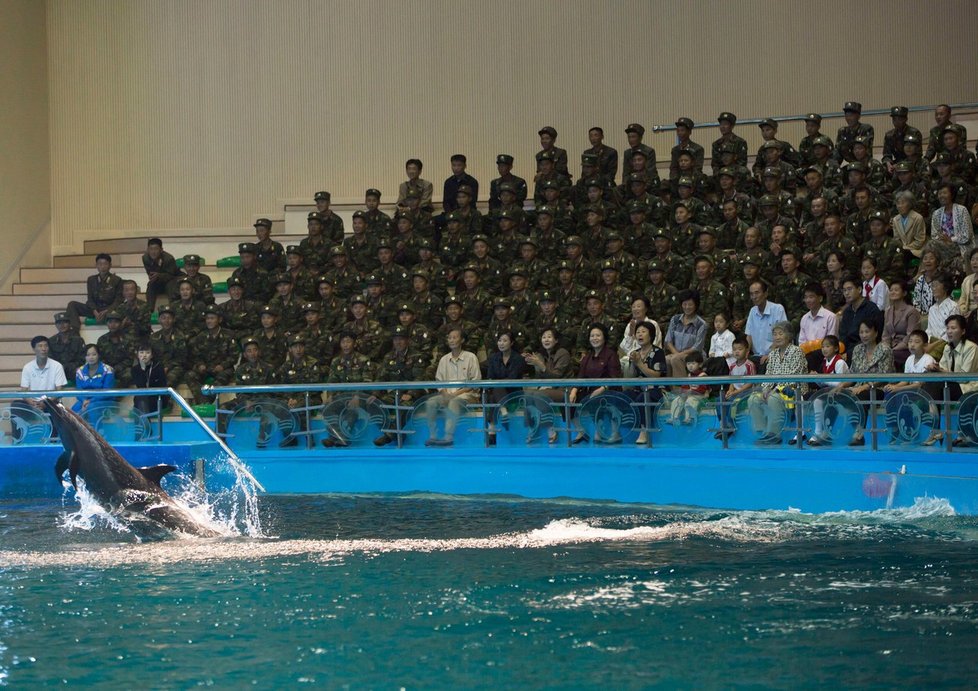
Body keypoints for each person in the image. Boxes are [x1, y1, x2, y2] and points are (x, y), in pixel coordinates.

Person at [749, 321, 807, 444]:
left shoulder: (797, 351)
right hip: (775, 389)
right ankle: (764, 432)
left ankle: (774, 435)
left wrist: (774, 390)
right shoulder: (773, 354)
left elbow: (794, 375)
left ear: (789, 336)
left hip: (794, 389)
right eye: (775, 334)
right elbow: (768, 375)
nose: (777, 337)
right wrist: (765, 389)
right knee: (753, 398)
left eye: (781, 333)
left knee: (774, 398)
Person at [924, 315, 978, 446]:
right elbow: (943, 368)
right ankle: (935, 428)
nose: (949, 331)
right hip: (951, 385)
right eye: (947, 328)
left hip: (969, 387)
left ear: (963, 331)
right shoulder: (947, 348)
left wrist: (941, 371)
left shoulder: (972, 348)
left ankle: (936, 429)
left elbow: (964, 376)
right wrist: (935, 368)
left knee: (935, 387)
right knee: (930, 384)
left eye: (953, 328)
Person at [425, 328, 481, 447]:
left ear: (462, 340)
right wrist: (445, 394)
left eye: (455, 337)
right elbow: (439, 381)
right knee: (430, 402)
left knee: (454, 402)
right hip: (447, 395)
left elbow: (474, 382)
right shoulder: (444, 359)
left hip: (468, 396)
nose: (451, 340)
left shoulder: (471, 357)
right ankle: (433, 436)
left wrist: (453, 395)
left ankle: (448, 437)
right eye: (449, 338)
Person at [842, 319, 894, 446]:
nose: (864, 335)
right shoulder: (857, 349)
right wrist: (841, 386)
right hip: (858, 387)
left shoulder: (885, 350)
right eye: (861, 332)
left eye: (867, 331)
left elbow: (884, 376)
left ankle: (858, 435)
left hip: (879, 389)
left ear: (876, 333)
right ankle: (826, 434)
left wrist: (866, 386)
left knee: (861, 397)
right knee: (836, 395)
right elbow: (853, 373)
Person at [569, 323, 623, 444]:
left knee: (598, 398)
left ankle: (614, 433)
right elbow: (581, 376)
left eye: (598, 335)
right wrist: (574, 390)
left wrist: (603, 388)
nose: (595, 338)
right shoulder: (587, 357)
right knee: (568, 399)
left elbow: (615, 377)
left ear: (604, 338)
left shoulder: (611, 355)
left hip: (610, 389)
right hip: (591, 391)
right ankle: (581, 431)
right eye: (592, 335)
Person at [623, 321, 666, 444]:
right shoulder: (635, 353)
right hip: (638, 389)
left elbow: (656, 376)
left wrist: (640, 364)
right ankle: (618, 430)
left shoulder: (659, 352)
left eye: (643, 332)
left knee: (642, 398)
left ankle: (644, 430)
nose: (640, 335)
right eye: (637, 332)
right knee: (623, 397)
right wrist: (631, 363)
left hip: (656, 389)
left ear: (651, 335)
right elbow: (631, 376)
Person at [806, 335, 850, 446]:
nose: (824, 349)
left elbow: (839, 383)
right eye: (823, 347)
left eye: (827, 346)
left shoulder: (839, 362)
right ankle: (815, 432)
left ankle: (821, 433)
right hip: (829, 392)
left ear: (836, 348)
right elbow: (825, 383)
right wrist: (816, 378)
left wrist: (821, 378)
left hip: (842, 393)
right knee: (809, 398)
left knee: (819, 400)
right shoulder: (825, 362)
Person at [485, 332, 526, 444]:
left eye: (505, 340)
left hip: (513, 393)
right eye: (499, 340)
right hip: (498, 392)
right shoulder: (494, 358)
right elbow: (490, 377)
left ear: (511, 343)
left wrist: (497, 382)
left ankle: (492, 432)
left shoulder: (518, 359)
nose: (501, 343)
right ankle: (503, 411)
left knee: (496, 391)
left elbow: (512, 379)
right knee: (495, 392)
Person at [64, 253, 122, 333]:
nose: (102, 266)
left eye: (105, 264)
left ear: (110, 265)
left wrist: (107, 311)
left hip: (109, 310)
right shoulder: (91, 279)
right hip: (94, 309)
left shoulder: (117, 280)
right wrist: (94, 311)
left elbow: (118, 300)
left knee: (118, 312)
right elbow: (90, 298)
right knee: (72, 304)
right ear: (96, 265)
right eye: (100, 264)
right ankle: (75, 332)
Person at [716, 335, 755, 440]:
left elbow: (750, 383)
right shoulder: (732, 365)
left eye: (740, 349)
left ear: (747, 351)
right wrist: (730, 390)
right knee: (719, 399)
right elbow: (732, 381)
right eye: (734, 349)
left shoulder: (749, 365)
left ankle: (730, 425)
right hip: (735, 392)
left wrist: (737, 392)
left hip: (746, 392)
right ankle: (722, 424)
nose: (737, 352)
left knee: (731, 401)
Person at [664, 290, 708, 378]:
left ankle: (680, 389)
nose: (687, 307)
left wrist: (679, 355)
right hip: (676, 353)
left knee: (675, 359)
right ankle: (669, 388)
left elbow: (697, 347)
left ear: (696, 305)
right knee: (666, 359)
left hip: (694, 356)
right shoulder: (675, 319)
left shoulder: (701, 324)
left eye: (690, 304)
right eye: (684, 304)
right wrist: (676, 353)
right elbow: (668, 341)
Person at [744, 280, 787, 366]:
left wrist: (770, 354)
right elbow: (749, 336)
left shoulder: (778, 309)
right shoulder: (752, 311)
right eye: (751, 294)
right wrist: (745, 354)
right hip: (756, 356)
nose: (754, 297)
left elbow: (783, 336)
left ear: (765, 294)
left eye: (757, 293)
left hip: (776, 354)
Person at [838, 276, 883, 357]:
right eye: (844, 290)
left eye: (849, 289)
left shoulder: (871, 309)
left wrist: (848, 354)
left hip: (865, 349)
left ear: (859, 289)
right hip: (846, 350)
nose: (846, 293)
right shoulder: (847, 312)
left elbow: (874, 336)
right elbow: (842, 336)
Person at [931, 182, 976, 262]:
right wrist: (942, 240)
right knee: (930, 246)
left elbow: (967, 235)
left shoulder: (962, 210)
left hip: (960, 246)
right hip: (942, 246)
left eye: (944, 193)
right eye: (939, 193)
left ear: (952, 195)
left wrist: (950, 239)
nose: (941, 196)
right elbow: (934, 235)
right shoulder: (936, 213)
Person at [882, 281, 920, 370]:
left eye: (896, 290)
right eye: (891, 290)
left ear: (904, 293)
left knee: (891, 356)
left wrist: (893, 350)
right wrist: (886, 347)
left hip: (907, 348)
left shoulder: (911, 311)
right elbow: (885, 334)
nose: (893, 292)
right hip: (891, 347)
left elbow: (910, 335)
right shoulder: (888, 311)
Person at [72, 344, 115, 414]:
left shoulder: (108, 370)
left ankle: (93, 425)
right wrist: (84, 401)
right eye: (88, 355)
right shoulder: (80, 371)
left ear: (99, 355)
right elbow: (79, 391)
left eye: (94, 354)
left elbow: (107, 392)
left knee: (92, 408)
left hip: (103, 401)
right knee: (74, 410)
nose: (91, 357)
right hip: (85, 400)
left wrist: (91, 401)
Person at [668, 351, 708, 425]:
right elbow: (685, 386)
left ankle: (689, 418)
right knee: (677, 400)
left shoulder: (703, 375)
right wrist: (683, 392)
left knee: (690, 401)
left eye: (693, 363)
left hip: (699, 396)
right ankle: (674, 417)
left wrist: (690, 392)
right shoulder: (689, 375)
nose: (690, 366)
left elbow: (702, 390)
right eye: (688, 364)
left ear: (700, 364)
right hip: (690, 394)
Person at [141, 238, 182, 311]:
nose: (153, 252)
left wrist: (159, 275)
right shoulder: (145, 258)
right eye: (151, 249)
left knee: (170, 285)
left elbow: (171, 275)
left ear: (161, 250)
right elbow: (150, 273)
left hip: (172, 279)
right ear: (147, 250)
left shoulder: (169, 258)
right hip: (158, 281)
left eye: (156, 249)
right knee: (150, 285)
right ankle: (149, 310)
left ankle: (173, 308)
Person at [131, 342, 167, 416]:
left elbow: (162, 385)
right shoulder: (135, 369)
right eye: (141, 352)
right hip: (142, 398)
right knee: (140, 398)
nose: (144, 355)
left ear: (152, 355)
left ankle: (143, 426)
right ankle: (144, 426)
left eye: (147, 353)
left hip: (156, 398)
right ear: (137, 354)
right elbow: (141, 385)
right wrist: (142, 368)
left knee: (141, 400)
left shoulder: (158, 367)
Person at [48, 312, 85, 384]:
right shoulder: (51, 341)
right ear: (55, 325)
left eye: (65, 322)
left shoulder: (78, 340)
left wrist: (68, 367)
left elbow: (82, 359)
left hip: (74, 371)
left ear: (69, 324)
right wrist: (60, 367)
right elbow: (50, 359)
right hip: (58, 371)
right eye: (59, 323)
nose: (62, 325)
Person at [891, 190, 927, 258]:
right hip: (902, 251)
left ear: (910, 204)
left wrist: (905, 248)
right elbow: (896, 239)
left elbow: (920, 241)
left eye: (903, 203)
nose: (900, 206)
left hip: (916, 250)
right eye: (898, 203)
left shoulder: (918, 218)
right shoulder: (895, 219)